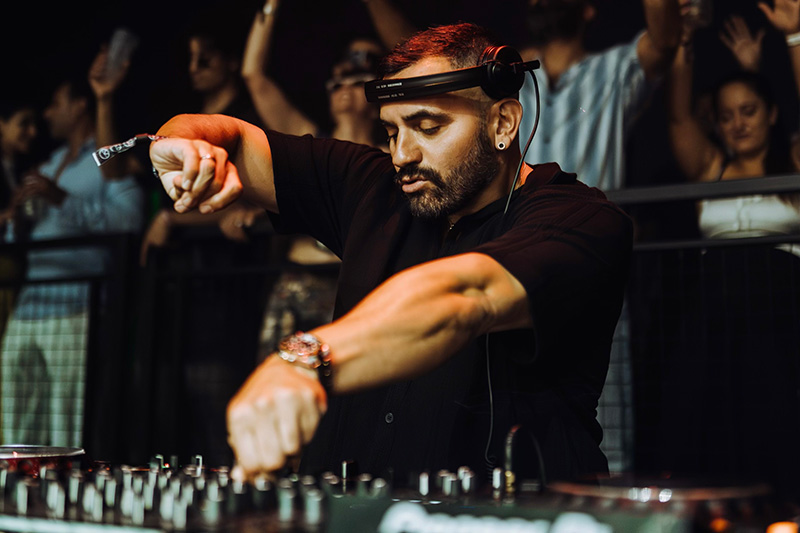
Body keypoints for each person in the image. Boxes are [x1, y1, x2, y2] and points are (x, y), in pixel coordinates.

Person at [149, 22, 633, 485]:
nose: (402, 155)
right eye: (392, 132)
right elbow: (226, 136)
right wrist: (178, 148)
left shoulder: (581, 218)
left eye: (427, 127)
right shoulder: (370, 185)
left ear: (502, 122)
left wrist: (305, 359)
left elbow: (467, 296)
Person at [657, 0, 800, 490]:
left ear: (772, 113)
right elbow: (679, 117)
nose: (738, 123)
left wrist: (795, 37)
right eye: (726, 115)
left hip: (780, 311)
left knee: (776, 417)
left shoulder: (791, 164)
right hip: (715, 313)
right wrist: (684, 40)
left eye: (749, 111)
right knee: (708, 418)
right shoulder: (711, 167)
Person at [0, 44, 144, 447]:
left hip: (76, 305)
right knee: (14, 422)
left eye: (55, 104)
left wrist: (60, 198)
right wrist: (17, 219)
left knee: (65, 425)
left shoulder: (109, 161)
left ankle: (64, 485)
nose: (47, 114)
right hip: (29, 305)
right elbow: (19, 237)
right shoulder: (49, 164)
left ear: (80, 106)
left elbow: (128, 222)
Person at [518, 0, 682, 191]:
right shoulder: (513, 75)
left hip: (589, 210)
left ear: (588, 9)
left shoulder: (615, 69)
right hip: (520, 211)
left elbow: (663, 43)